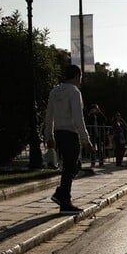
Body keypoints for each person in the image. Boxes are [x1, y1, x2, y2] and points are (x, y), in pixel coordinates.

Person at [44, 64, 93, 214]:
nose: (81, 81)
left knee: (70, 166)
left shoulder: (54, 91)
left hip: (59, 133)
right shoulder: (74, 92)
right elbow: (79, 118)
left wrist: (49, 135)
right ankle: (64, 200)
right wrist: (86, 139)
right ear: (77, 76)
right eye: (81, 77)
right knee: (71, 166)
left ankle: (61, 194)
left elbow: (49, 115)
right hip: (70, 133)